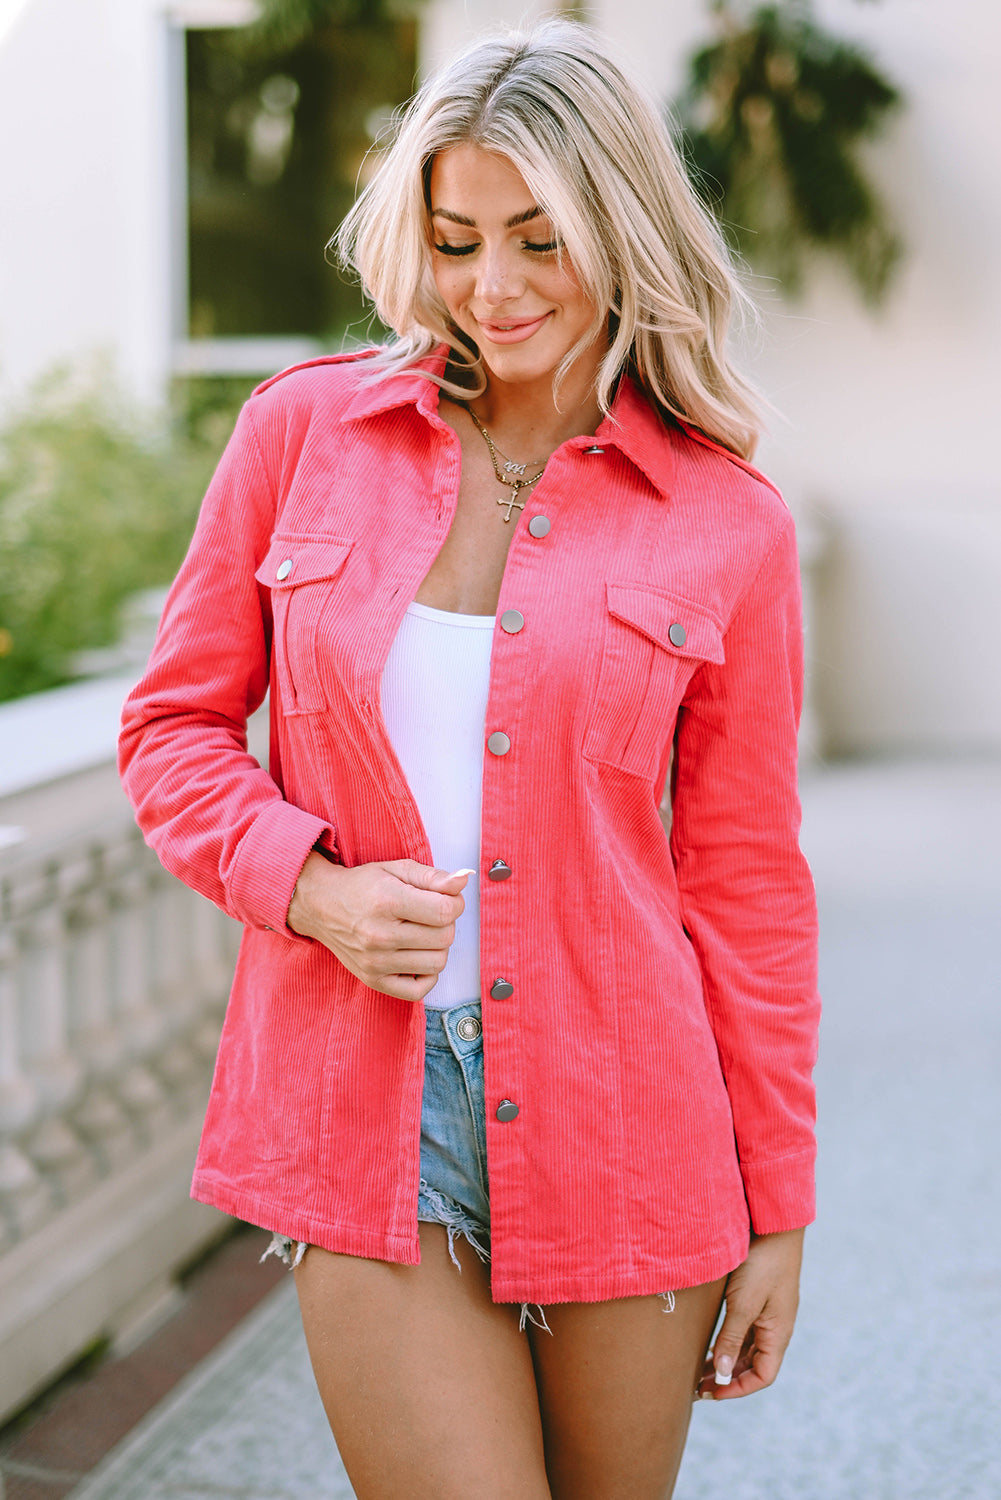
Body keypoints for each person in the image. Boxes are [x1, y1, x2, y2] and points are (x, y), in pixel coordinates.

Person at [119, 19, 820, 1499]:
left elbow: (744, 876)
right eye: (453, 240)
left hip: (632, 1113)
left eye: (537, 243)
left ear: (621, 232)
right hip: (362, 1112)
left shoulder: (726, 520)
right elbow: (170, 732)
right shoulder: (301, 435)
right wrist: (309, 890)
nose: (489, 290)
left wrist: (780, 1208)